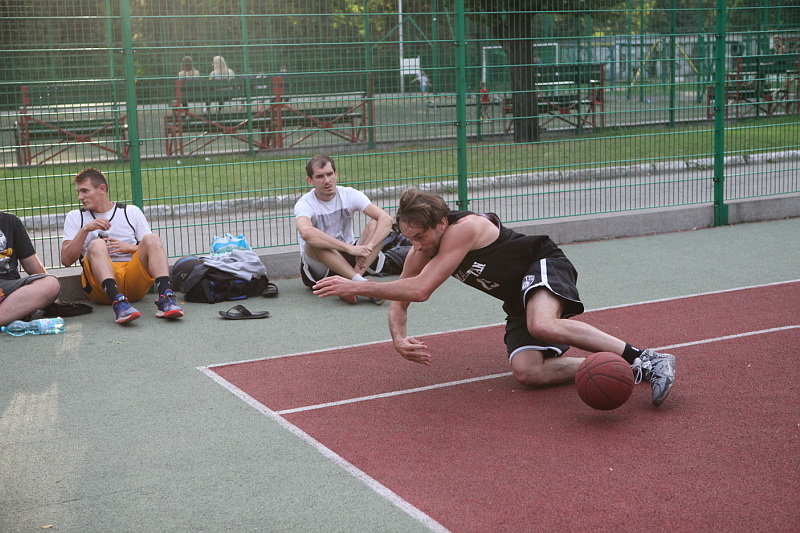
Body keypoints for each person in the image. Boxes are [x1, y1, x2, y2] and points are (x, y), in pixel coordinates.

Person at [312, 188, 677, 406]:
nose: (416, 245)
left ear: (441, 224)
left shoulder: (464, 228)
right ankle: (620, 368)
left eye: (420, 236)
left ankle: (649, 358)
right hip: (517, 297)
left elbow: (421, 290)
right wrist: (398, 339)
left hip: (541, 263)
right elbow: (401, 301)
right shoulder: (421, 249)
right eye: (409, 238)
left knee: (542, 324)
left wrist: (358, 284)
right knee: (528, 372)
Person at [61, 168, 183, 324]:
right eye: (78, 192)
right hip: (100, 289)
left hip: (134, 282)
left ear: (102, 189)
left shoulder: (131, 212)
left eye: (85, 191)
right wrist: (85, 230)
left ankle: (166, 299)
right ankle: (119, 304)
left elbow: (153, 249)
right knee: (97, 244)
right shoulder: (75, 217)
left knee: (152, 238)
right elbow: (66, 260)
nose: (80, 197)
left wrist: (130, 248)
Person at [294, 155, 393, 305]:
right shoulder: (304, 203)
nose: (327, 180)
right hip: (320, 266)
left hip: (351, 261)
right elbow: (306, 232)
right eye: (320, 176)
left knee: (375, 224)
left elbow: (386, 219)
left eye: (330, 174)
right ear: (310, 181)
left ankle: (352, 283)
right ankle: (362, 284)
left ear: (336, 174)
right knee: (314, 240)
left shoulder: (349, 194)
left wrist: (369, 246)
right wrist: (349, 248)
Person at [0, 212, 61, 327]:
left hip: (9, 287)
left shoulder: (10, 221)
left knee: (51, 283)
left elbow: (31, 263)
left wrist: (48, 296)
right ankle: (16, 315)